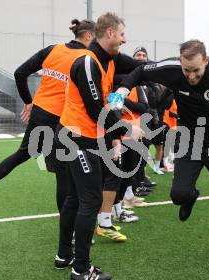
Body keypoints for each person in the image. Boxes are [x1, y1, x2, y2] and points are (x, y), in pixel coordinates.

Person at [116, 39, 209, 268]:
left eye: (196, 70)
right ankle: (191, 196)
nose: (191, 76)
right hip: (189, 142)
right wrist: (122, 89)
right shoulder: (172, 70)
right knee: (178, 195)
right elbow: (141, 70)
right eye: (186, 70)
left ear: (206, 61)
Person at [0, 19, 95, 214]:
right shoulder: (87, 57)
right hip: (59, 119)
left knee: (23, 153)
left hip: (39, 112)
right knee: (63, 173)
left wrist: (28, 102)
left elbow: (20, 73)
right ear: (88, 35)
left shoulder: (53, 49)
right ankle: (68, 232)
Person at [54, 13, 143, 280]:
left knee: (73, 198)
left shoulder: (107, 61)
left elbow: (142, 68)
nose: (125, 39)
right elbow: (95, 110)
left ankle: (63, 256)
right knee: (90, 200)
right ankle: (81, 269)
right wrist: (127, 129)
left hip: (79, 137)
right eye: (122, 34)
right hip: (77, 139)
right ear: (108, 34)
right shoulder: (88, 62)